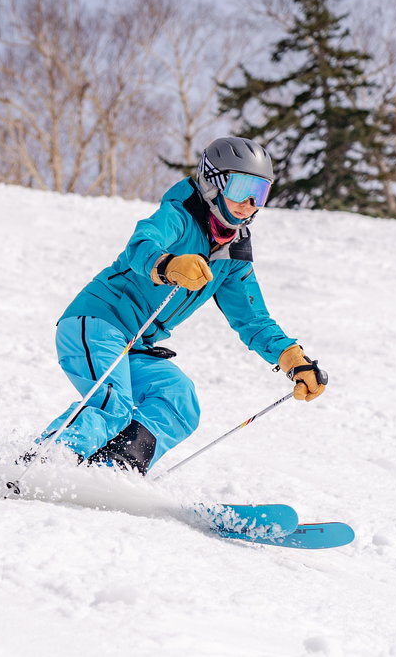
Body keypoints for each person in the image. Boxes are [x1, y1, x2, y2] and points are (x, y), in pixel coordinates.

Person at [29, 136, 328, 474]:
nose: (248, 202)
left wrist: (291, 358)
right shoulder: (179, 214)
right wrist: (167, 264)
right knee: (113, 403)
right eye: (241, 187)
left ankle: (114, 469)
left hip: (136, 344)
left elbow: (253, 319)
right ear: (214, 183)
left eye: (259, 193)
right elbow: (141, 245)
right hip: (97, 323)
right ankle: (44, 463)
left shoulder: (233, 255)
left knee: (179, 399)